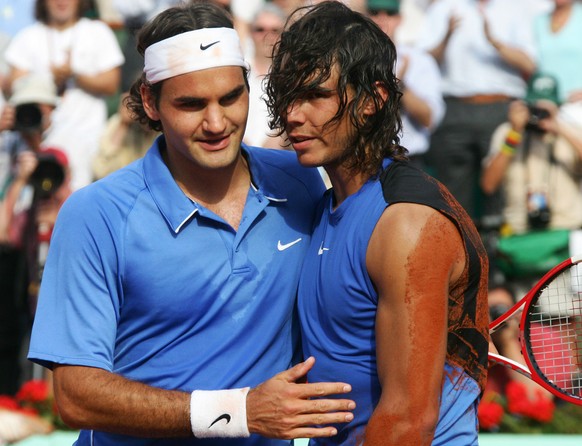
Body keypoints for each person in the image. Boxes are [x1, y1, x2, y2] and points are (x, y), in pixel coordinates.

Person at [27, 3, 355, 445]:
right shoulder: (96, 213)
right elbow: (75, 397)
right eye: (191, 104)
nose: (217, 123)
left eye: (231, 97)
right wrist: (238, 413)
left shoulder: (300, 180)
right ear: (150, 101)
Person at [265, 2, 489, 445]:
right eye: (289, 95)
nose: (293, 114)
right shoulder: (327, 203)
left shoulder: (406, 223)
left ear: (373, 100)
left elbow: (407, 420)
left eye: (315, 95)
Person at [415, 0, 537, 222]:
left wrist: (496, 43)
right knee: (453, 194)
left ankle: (500, 251)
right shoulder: (443, 8)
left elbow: (530, 64)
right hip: (455, 107)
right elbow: (422, 62)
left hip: (500, 108)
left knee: (501, 187)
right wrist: (446, 37)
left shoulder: (514, 9)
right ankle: (461, 252)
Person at [4, 0, 124, 190]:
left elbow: (111, 83)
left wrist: (75, 76)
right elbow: (13, 86)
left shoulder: (97, 32)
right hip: (37, 148)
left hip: (86, 145)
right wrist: (48, 84)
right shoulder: (28, 36)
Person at [0, 73, 69, 396]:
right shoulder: (8, 149)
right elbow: (4, 233)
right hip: (23, 266)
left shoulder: (62, 149)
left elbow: (73, 198)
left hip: (58, 262)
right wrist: (18, 181)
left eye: (35, 109)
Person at [366, 0, 444, 170]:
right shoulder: (354, 60)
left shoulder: (419, 61)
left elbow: (429, 119)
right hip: (364, 161)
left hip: (408, 161)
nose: (382, 19)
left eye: (390, 13)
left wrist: (399, 88)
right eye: (375, 12)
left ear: (400, 18)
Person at [243, 2, 287, 149]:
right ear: (250, 31)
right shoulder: (237, 70)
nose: (267, 36)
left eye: (275, 30)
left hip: (281, 157)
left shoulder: (292, 74)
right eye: (260, 29)